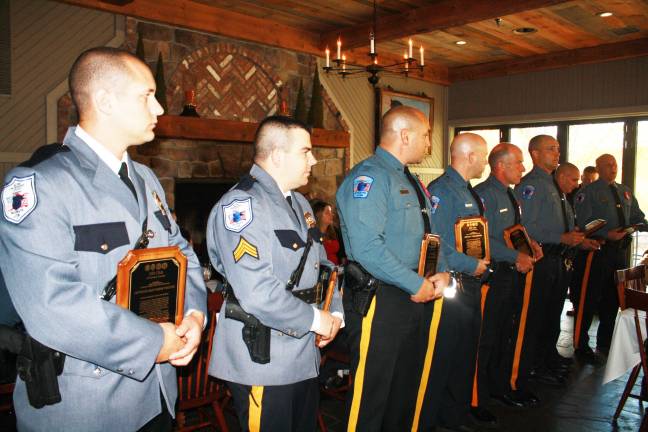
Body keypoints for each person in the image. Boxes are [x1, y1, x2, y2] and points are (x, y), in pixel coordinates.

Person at [0, 47, 207, 431]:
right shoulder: (40, 183)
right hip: (88, 406)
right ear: (106, 101)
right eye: (148, 95)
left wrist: (193, 315)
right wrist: (151, 343)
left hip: (157, 393)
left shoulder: (145, 179)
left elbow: (181, 253)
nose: (160, 109)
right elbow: (52, 304)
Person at [206, 115, 343, 432]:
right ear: (278, 156)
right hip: (264, 357)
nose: (314, 158)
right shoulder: (242, 206)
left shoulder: (301, 204)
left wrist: (333, 311)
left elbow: (324, 267)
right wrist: (315, 320)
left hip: (303, 353)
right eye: (305, 151)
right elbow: (256, 292)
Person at [336, 105, 450, 431]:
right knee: (372, 396)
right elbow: (366, 248)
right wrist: (415, 284)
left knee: (405, 389)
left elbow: (427, 232)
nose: (429, 142)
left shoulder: (408, 178)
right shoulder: (369, 178)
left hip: (415, 294)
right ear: (404, 135)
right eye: (426, 135)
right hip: (381, 299)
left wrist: (439, 270)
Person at [423, 133, 494, 431]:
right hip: (453, 283)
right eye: (484, 155)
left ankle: (456, 413)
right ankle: (441, 418)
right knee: (446, 354)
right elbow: (435, 244)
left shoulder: (466, 190)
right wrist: (470, 264)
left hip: (470, 283)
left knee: (465, 352)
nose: (486, 162)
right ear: (470, 156)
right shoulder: (442, 192)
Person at [514, 135, 586, 386]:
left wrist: (572, 237)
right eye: (550, 149)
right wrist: (561, 237)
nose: (557, 153)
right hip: (541, 257)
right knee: (537, 314)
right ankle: (531, 364)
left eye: (557, 149)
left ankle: (547, 357)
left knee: (552, 312)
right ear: (534, 154)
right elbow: (526, 228)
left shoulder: (553, 184)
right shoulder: (531, 185)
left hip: (557, 258)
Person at [474, 143, 541, 409]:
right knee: (487, 337)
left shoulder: (510, 194)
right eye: (519, 163)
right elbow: (483, 240)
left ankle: (498, 387)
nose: (524, 168)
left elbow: (512, 231)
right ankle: (476, 399)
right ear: (500, 166)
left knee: (505, 333)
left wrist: (530, 245)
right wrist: (515, 257)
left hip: (513, 274)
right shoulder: (484, 195)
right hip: (495, 275)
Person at [574, 154, 647, 357]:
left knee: (613, 298)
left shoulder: (624, 191)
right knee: (589, 298)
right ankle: (581, 345)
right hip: (598, 251)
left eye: (615, 164)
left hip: (620, 252)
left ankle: (605, 343)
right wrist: (606, 234)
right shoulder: (588, 192)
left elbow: (637, 216)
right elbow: (583, 223)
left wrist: (640, 224)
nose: (613, 167)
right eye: (608, 165)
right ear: (598, 167)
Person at [311, 200, 344, 265]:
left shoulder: (334, 230)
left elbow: (342, 252)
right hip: (323, 271)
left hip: (337, 269)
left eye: (331, 212)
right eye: (327, 212)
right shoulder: (313, 234)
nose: (332, 214)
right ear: (318, 215)